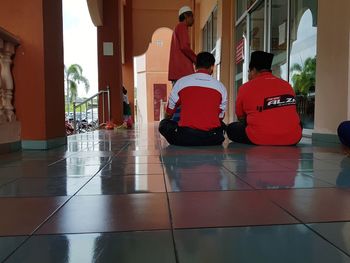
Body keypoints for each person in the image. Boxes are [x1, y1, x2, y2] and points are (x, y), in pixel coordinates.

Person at [227, 51, 302, 145]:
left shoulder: (245, 87)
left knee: (231, 128)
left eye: (248, 72)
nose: (248, 76)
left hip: (259, 138)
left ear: (253, 70)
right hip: (292, 138)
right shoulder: (287, 85)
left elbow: (240, 116)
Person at [159, 52, 227, 146]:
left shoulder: (181, 82)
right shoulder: (221, 87)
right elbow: (220, 116)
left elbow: (170, 111)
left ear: (195, 66)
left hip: (186, 138)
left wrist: (168, 120)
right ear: (212, 67)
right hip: (212, 139)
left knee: (163, 124)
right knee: (222, 125)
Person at [168, 5, 197, 122]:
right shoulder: (182, 26)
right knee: (184, 102)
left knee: (179, 101)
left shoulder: (178, 28)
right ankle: (179, 126)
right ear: (186, 16)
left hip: (178, 72)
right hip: (183, 72)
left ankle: (178, 126)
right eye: (192, 16)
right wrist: (196, 59)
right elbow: (185, 47)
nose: (193, 19)